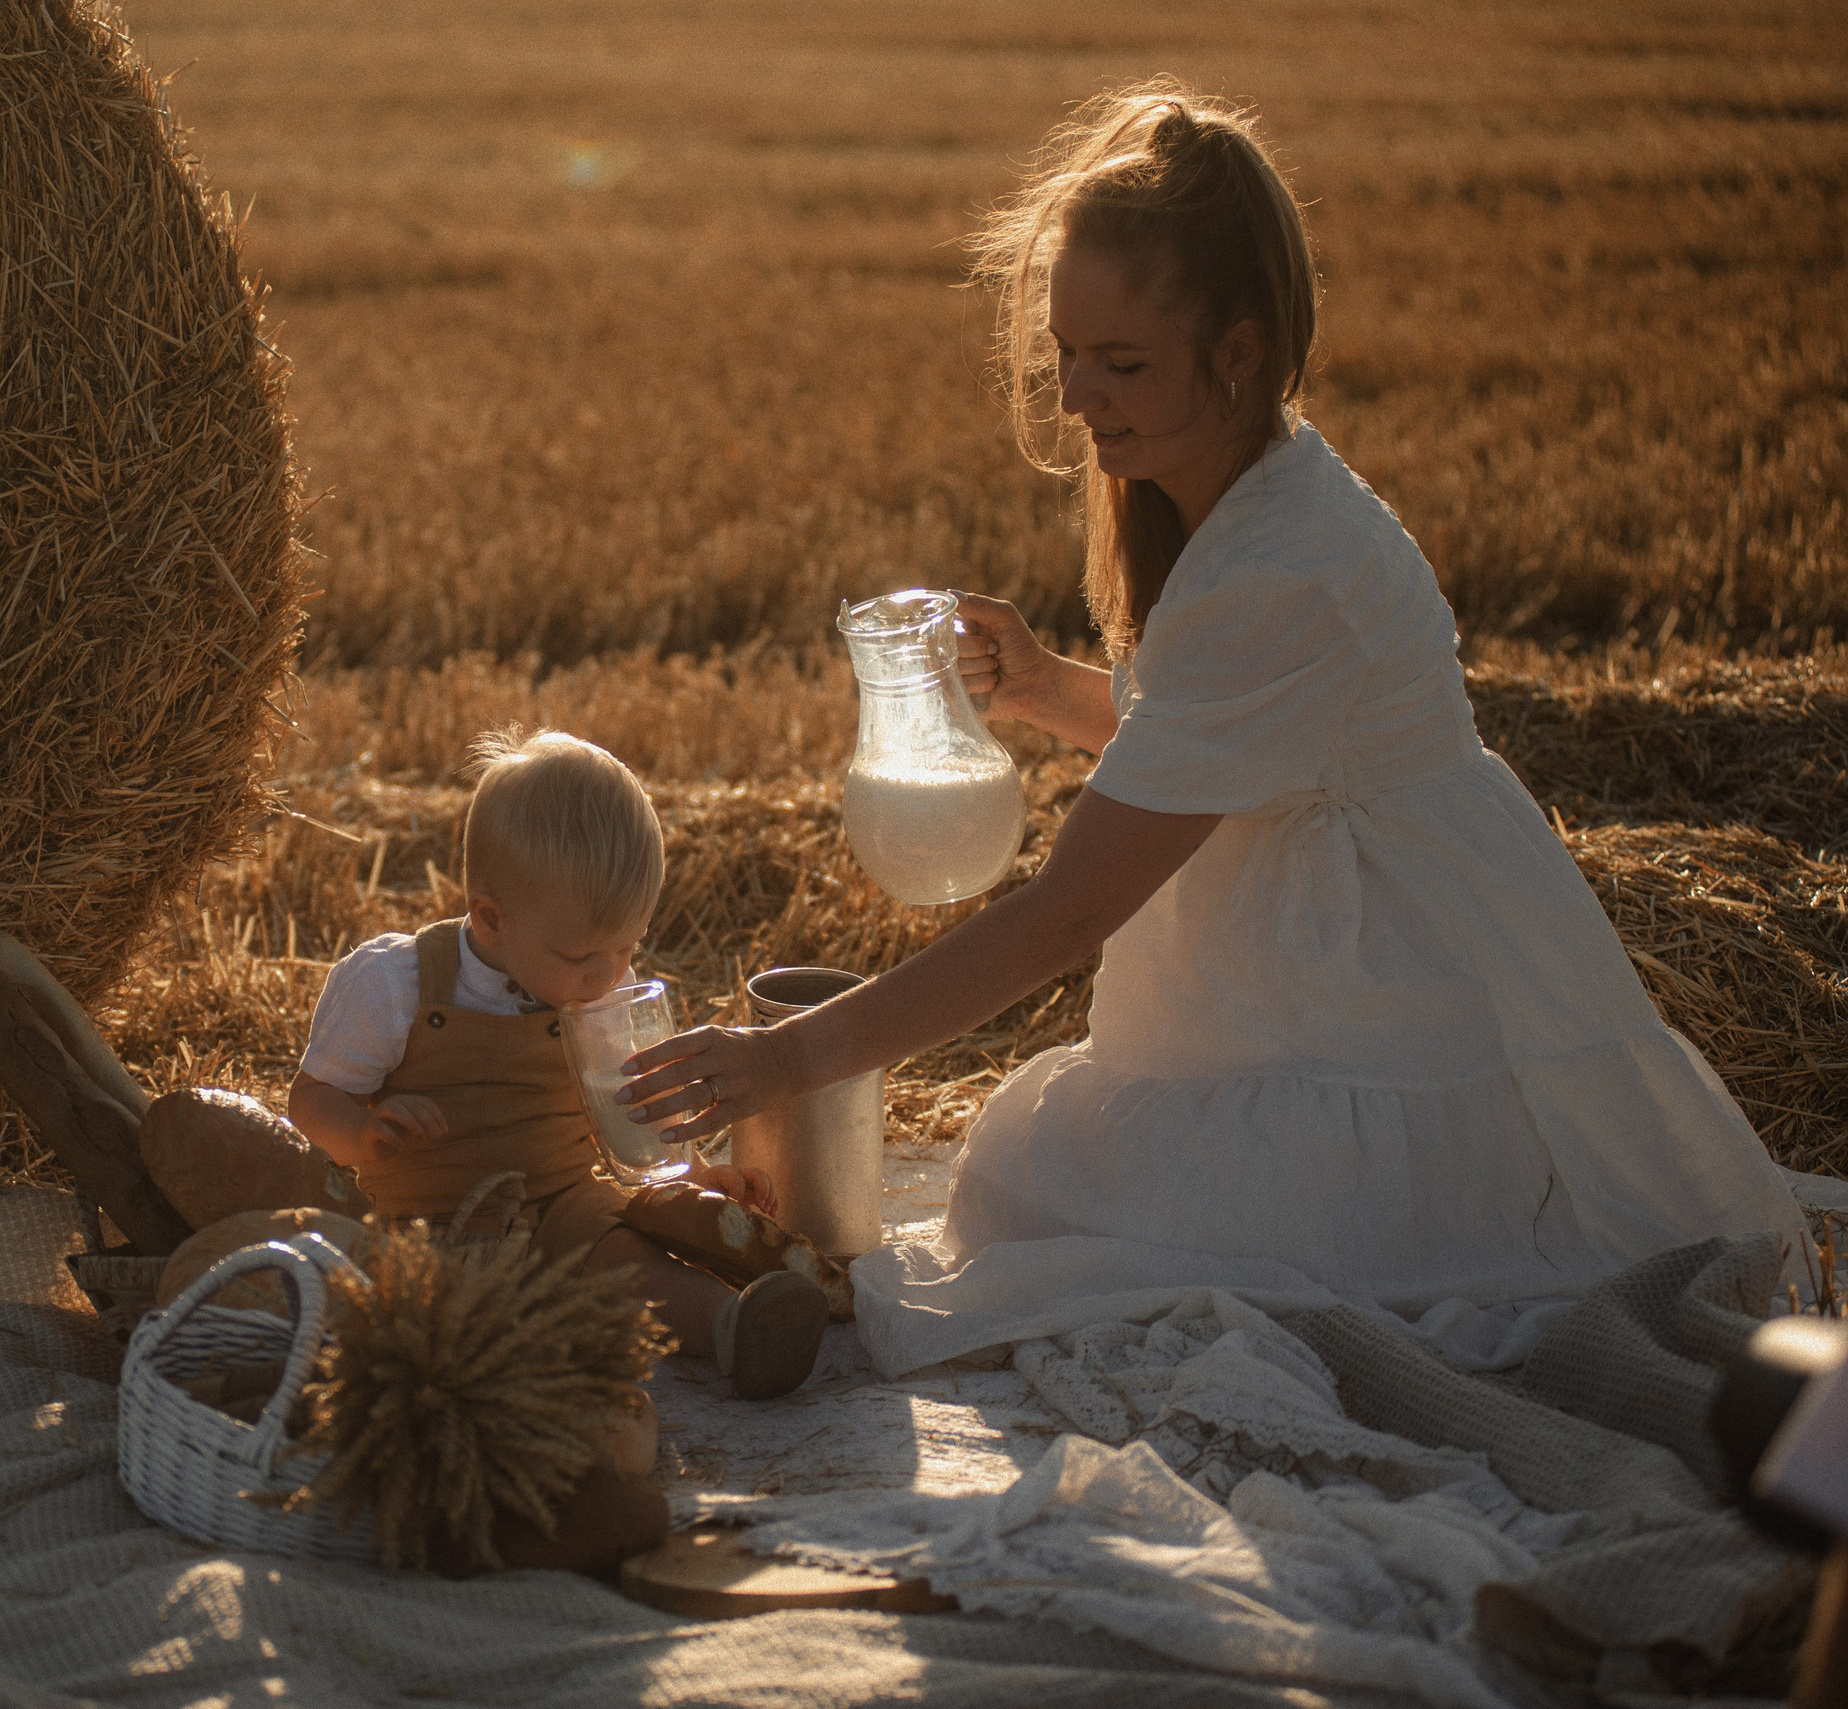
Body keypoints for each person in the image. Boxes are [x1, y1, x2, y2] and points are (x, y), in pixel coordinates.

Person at [616, 82, 1804, 1370]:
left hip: (1380, 1016)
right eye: (1065, 352)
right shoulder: (1250, 497)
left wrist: (785, 1058)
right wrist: (1046, 686)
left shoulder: (1281, 567)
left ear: (1237, 353)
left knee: (1042, 1195)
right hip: (1297, 979)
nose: (1077, 396)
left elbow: (1071, 911)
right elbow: (1236, 734)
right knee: (1030, 1186)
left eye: (1120, 362)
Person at [289, 728, 833, 1398]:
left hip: (561, 1207)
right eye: (581, 958)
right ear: (490, 918)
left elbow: (634, 1123)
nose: (607, 976)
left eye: (627, 947)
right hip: (427, 1223)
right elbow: (311, 1099)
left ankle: (733, 1326)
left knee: (626, 1258)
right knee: (413, 1318)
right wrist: (363, 1130)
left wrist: (701, 1176)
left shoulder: (599, 997)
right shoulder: (395, 984)